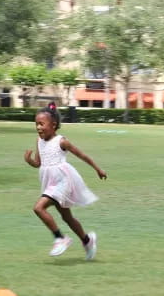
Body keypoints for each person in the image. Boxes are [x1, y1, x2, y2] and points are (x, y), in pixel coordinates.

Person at [24, 102, 107, 260]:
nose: (38, 127)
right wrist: (29, 161)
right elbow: (39, 163)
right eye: (36, 124)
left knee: (38, 208)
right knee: (67, 217)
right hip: (50, 182)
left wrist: (98, 169)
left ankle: (60, 238)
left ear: (53, 125)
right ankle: (87, 241)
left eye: (42, 124)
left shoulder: (62, 141)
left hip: (63, 180)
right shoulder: (39, 141)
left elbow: (82, 155)